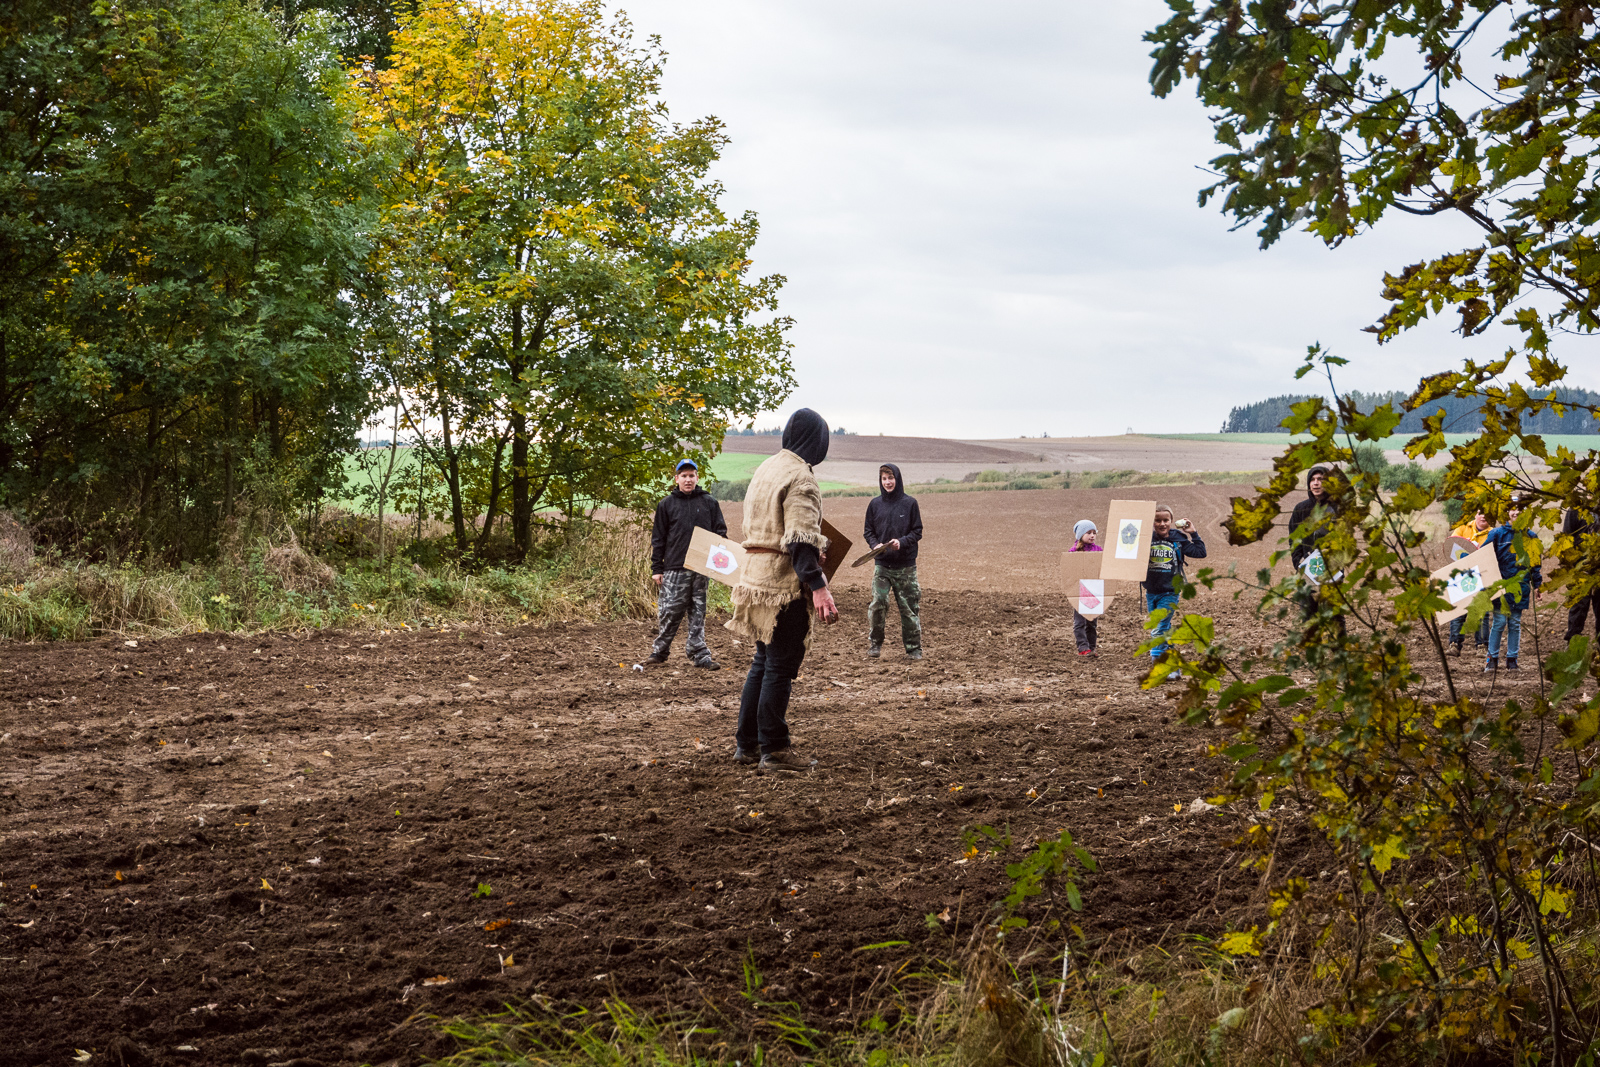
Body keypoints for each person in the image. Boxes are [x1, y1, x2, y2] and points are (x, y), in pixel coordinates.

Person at [726, 409, 839, 772]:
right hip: (782, 586)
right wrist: (818, 587)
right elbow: (799, 539)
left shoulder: (767, 467)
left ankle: (747, 744)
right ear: (817, 441)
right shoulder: (800, 476)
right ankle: (773, 749)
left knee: (763, 662)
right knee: (779, 667)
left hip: (755, 581)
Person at [648, 458, 728, 669]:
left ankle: (699, 654)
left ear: (697, 478)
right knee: (670, 611)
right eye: (683, 476)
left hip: (701, 568)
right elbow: (658, 538)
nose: (688, 479)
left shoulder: (709, 502)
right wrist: (657, 568)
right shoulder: (666, 504)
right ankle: (660, 652)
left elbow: (720, 533)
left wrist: (720, 563)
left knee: (698, 611)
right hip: (675, 567)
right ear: (677, 479)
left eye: (691, 475)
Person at [863, 463, 924, 660]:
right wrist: (875, 545)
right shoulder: (874, 504)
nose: (887, 482)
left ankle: (913, 649)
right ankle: (875, 644)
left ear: (897, 479)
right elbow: (868, 531)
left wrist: (901, 542)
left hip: (905, 566)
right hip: (882, 565)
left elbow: (917, 531)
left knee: (909, 608)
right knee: (878, 604)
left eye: (890, 478)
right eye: (884, 479)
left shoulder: (910, 503)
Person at [1483, 494, 1543, 673]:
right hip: (1500, 586)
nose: (1516, 512)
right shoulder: (1496, 534)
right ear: (1507, 512)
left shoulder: (1531, 536)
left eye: (1520, 510)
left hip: (1521, 587)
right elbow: (1482, 557)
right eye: (1513, 509)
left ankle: (1512, 659)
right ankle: (1491, 659)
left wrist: (1537, 585)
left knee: (1515, 623)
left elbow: (1535, 564)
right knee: (1499, 622)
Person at [1143, 505, 1207, 664]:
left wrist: (1193, 533)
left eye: (1166, 520)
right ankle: (1171, 659)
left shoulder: (1178, 538)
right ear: (1152, 522)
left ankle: (1156, 659)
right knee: (1161, 626)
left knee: (1159, 627)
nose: (1162, 524)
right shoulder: (1145, 539)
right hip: (1151, 592)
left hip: (1170, 592)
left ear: (1171, 521)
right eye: (1157, 520)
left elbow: (1200, 552)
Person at [1288, 466, 1344, 630]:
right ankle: (1310, 645)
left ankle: (1339, 646)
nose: (1316, 483)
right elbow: (1294, 540)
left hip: (1332, 568)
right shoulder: (1301, 509)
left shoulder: (1338, 509)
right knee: (1308, 616)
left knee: (1335, 616)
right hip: (1308, 568)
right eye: (1312, 480)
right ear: (1308, 484)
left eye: (1320, 479)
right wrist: (1298, 562)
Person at [1447, 505, 1493, 656]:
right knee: (1458, 610)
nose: (1483, 516)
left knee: (1481, 612)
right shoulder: (1462, 528)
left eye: (1486, 514)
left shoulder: (1493, 533)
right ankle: (1454, 645)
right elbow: (1451, 546)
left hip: (1483, 575)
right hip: (1462, 574)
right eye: (1480, 513)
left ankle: (1482, 646)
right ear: (1476, 515)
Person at [1562, 504, 1600, 646]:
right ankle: (1573, 645)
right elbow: (1567, 537)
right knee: (1579, 607)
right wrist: (1573, 565)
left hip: (1599, 568)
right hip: (1580, 568)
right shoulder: (1575, 509)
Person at [1067, 519, 1103, 657]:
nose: (1092, 535)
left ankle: (1091, 648)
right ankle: (1083, 647)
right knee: (1080, 622)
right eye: (1088, 533)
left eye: (1094, 532)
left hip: (1094, 591)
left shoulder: (1099, 551)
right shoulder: (1074, 552)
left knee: (1092, 622)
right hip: (1080, 592)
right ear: (1080, 535)